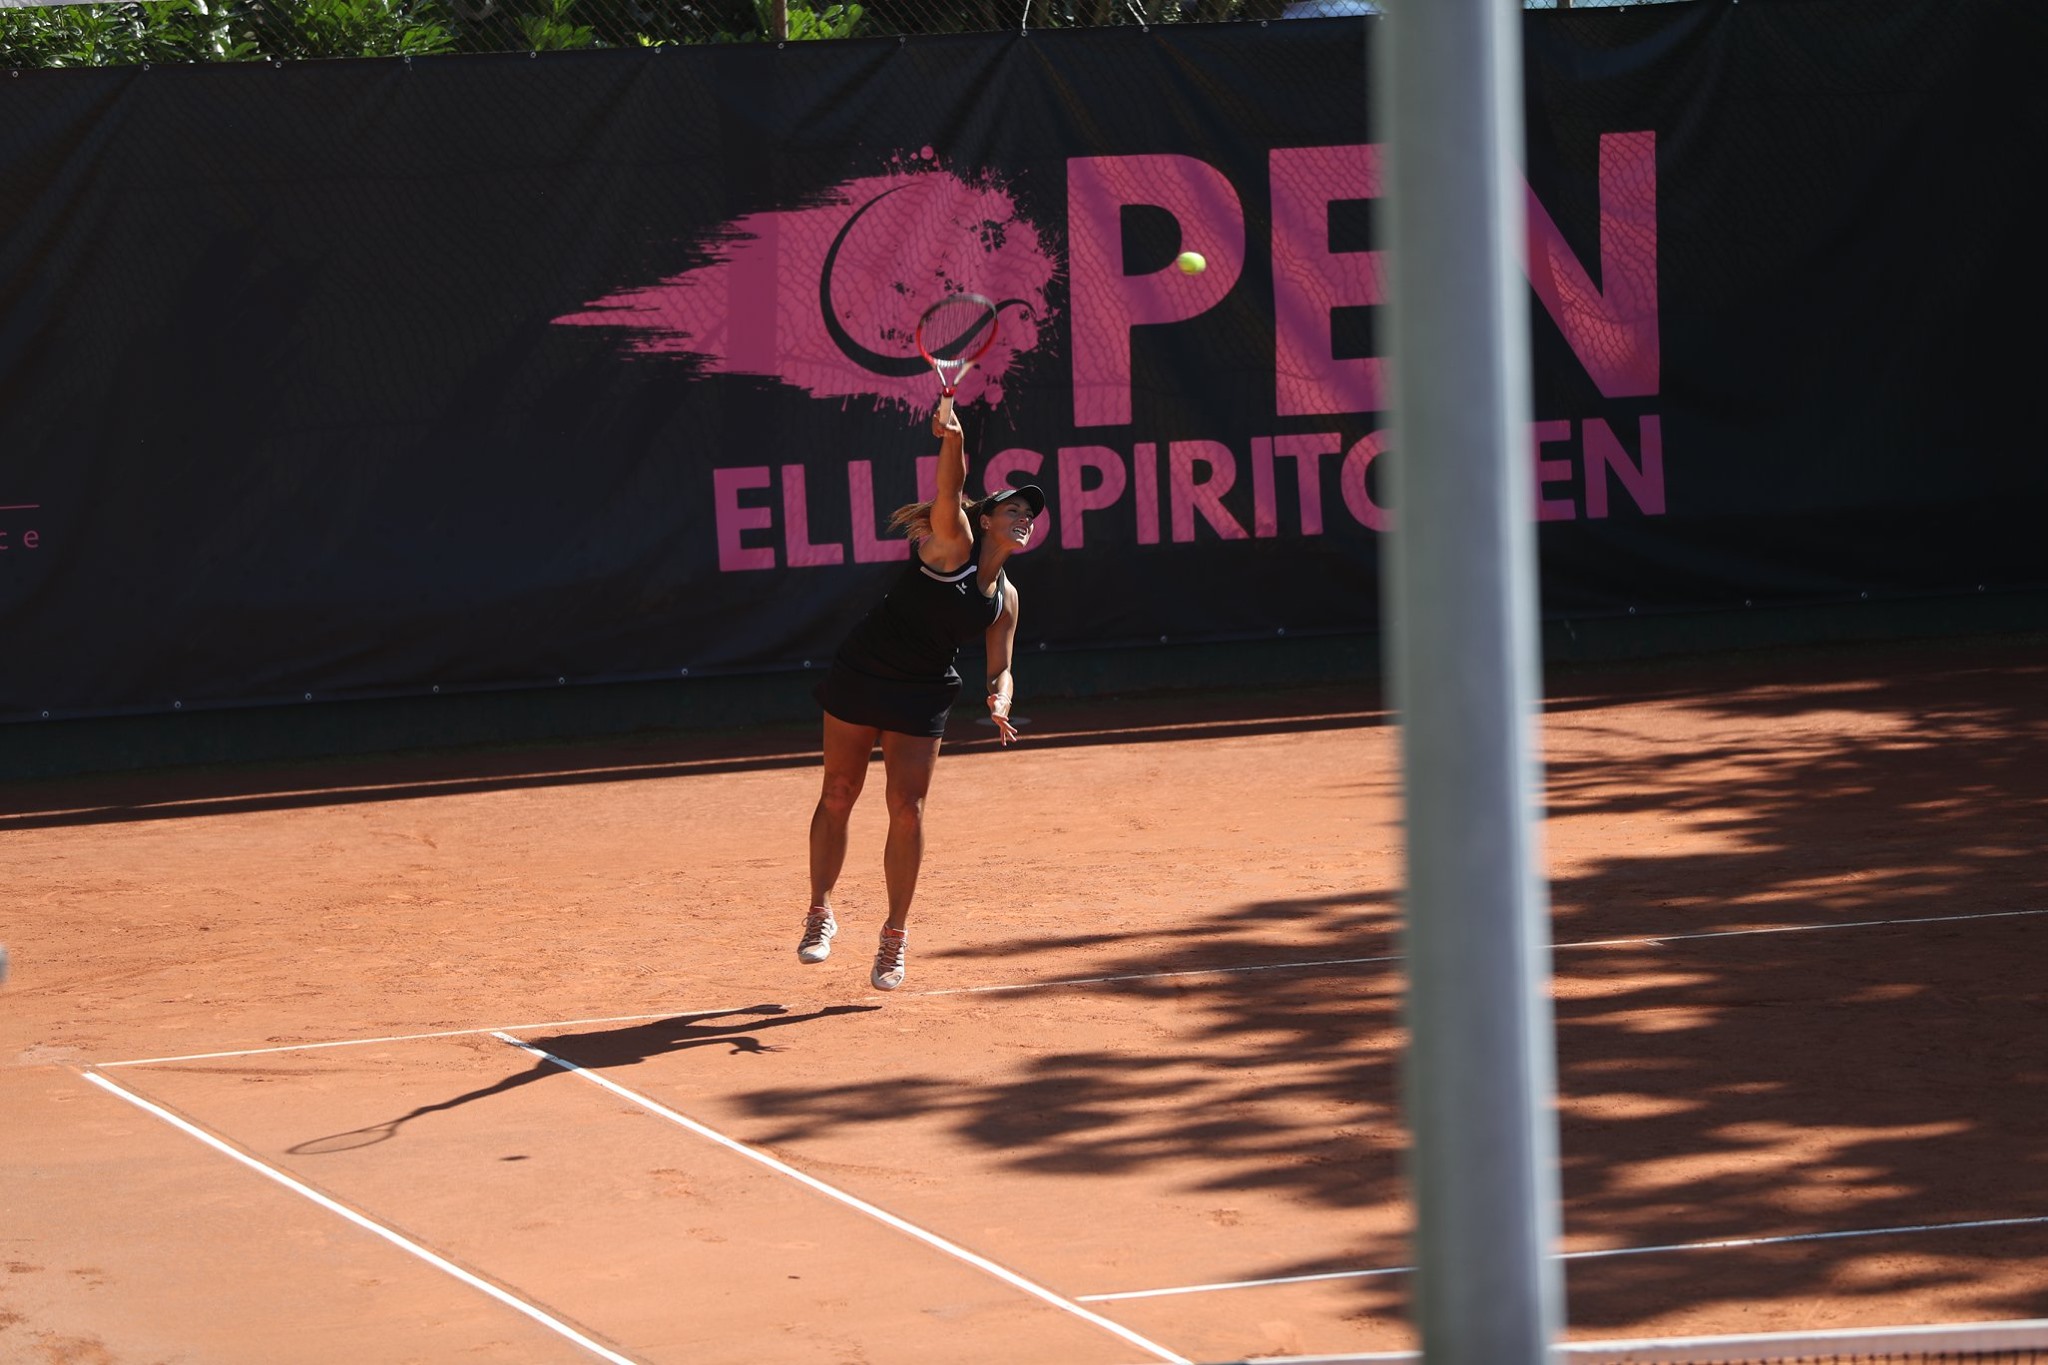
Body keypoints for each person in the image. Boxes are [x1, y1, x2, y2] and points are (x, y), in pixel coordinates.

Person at [800, 405, 1045, 991]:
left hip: (924, 692)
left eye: (1031, 516)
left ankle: (893, 937)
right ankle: (819, 912)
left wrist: (1000, 700)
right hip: (863, 673)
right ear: (985, 520)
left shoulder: (1005, 598)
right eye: (1014, 510)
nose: (1025, 520)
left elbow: (1000, 668)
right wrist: (954, 436)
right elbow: (951, 485)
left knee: (907, 811)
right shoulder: (951, 541)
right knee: (838, 792)